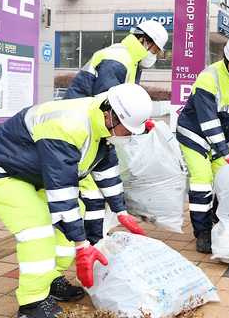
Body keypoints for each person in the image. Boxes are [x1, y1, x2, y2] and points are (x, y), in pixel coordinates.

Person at [0, 83, 152, 318]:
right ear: (110, 115)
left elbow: (105, 168)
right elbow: (61, 189)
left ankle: (51, 279)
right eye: (127, 130)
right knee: (38, 226)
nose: (127, 136)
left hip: (32, 173)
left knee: (73, 216)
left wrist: (120, 210)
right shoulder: (69, 125)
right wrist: (82, 246)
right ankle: (32, 302)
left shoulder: (101, 125)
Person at [62, 19, 168, 245]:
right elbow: (107, 106)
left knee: (97, 190)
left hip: (93, 126)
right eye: (156, 50)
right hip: (82, 129)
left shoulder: (131, 59)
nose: (156, 56)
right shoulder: (118, 59)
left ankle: (92, 239)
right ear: (143, 41)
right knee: (92, 194)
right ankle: (90, 243)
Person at [176, 35, 229, 254]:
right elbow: (208, 122)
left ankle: (218, 214)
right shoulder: (209, 77)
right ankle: (203, 232)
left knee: (227, 182)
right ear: (226, 59)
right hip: (194, 134)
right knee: (202, 181)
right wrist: (225, 152)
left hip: (222, 136)